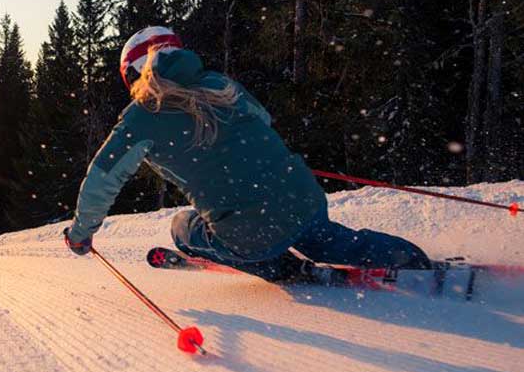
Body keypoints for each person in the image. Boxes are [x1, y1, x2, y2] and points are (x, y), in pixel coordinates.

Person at [63, 26, 431, 281]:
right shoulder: (220, 84)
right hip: (301, 196)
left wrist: (81, 234)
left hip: (248, 233)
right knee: (329, 238)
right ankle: (414, 261)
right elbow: (263, 122)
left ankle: (281, 269)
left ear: (133, 74)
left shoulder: (140, 118)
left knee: (182, 228)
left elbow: (101, 179)